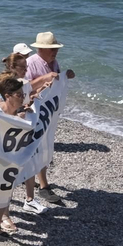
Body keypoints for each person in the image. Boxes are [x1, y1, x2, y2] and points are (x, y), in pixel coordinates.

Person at [23, 31, 73, 204]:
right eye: (51, 49)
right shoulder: (30, 64)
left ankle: (37, 181)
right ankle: (43, 186)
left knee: (44, 145)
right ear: (41, 49)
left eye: (55, 49)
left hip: (46, 111)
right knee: (36, 146)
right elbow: (23, 88)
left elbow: (55, 85)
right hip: (33, 112)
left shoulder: (53, 63)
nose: (55, 52)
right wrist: (44, 79)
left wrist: (65, 76)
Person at [0, 72, 31, 236]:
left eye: (23, 95)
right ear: (8, 96)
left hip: (11, 158)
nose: (21, 98)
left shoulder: (18, 115)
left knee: (7, 190)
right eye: (19, 95)